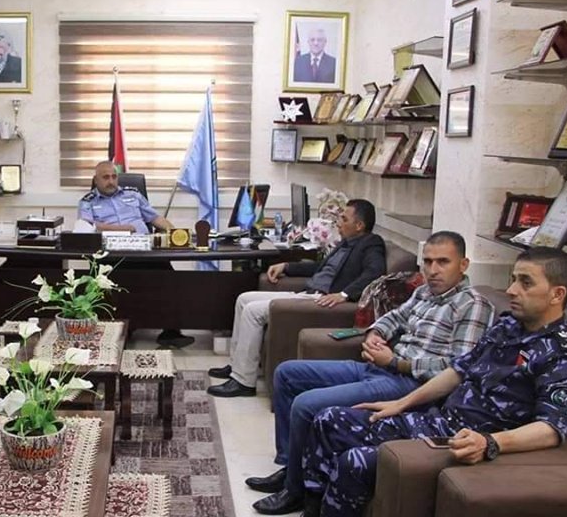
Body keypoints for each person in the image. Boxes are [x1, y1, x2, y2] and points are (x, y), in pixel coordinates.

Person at [268, 247, 567, 517]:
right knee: (329, 420)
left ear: (557, 294)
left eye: (525, 282)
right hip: (438, 421)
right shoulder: (507, 327)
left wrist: (491, 443)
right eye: (513, 279)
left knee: (356, 461)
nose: (512, 290)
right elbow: (458, 371)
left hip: (464, 442)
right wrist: (401, 403)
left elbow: (552, 428)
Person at [248, 231, 494, 515]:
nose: (433, 270)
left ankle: (295, 491)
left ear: (463, 265)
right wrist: (375, 334)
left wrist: (396, 362)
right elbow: (394, 317)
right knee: (287, 373)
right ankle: (290, 466)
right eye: (427, 262)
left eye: (443, 262)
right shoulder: (425, 292)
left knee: (305, 404)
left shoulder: (472, 305)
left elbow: (457, 366)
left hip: (409, 384)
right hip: (379, 367)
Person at [207, 199, 386, 397]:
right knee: (244, 299)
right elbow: (319, 268)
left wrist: (344, 295)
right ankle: (237, 367)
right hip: (307, 293)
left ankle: (243, 382)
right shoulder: (344, 243)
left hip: (321, 301)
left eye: (344, 219)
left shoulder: (371, 243)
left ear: (359, 225)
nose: (338, 223)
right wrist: (286, 266)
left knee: (253, 311)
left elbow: (375, 272)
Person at [78, 160, 193, 348]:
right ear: (96, 180)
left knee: (169, 277)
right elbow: (88, 226)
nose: (111, 181)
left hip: (144, 250)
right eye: (105, 177)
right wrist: (126, 228)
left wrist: (176, 233)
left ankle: (170, 332)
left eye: (114, 176)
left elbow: (155, 218)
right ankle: (123, 328)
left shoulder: (133, 195)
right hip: (112, 255)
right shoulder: (87, 202)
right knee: (117, 282)